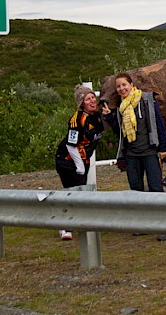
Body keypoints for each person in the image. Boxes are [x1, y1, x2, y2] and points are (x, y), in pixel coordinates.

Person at [101, 72, 166, 241]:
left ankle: (165, 227)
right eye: (118, 86)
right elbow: (121, 134)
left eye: (124, 84)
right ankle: (142, 225)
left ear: (131, 85)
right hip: (132, 154)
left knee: (156, 189)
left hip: (150, 152)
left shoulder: (146, 100)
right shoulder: (121, 108)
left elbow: (158, 123)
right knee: (136, 190)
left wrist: (163, 148)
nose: (121, 88)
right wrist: (110, 117)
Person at [54, 83, 104, 241]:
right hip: (67, 160)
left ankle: (79, 222)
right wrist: (80, 165)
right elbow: (71, 144)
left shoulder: (97, 116)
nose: (92, 101)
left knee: (80, 192)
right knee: (71, 192)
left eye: (93, 97)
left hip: (83, 159)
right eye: (88, 99)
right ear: (82, 103)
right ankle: (64, 227)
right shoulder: (77, 119)